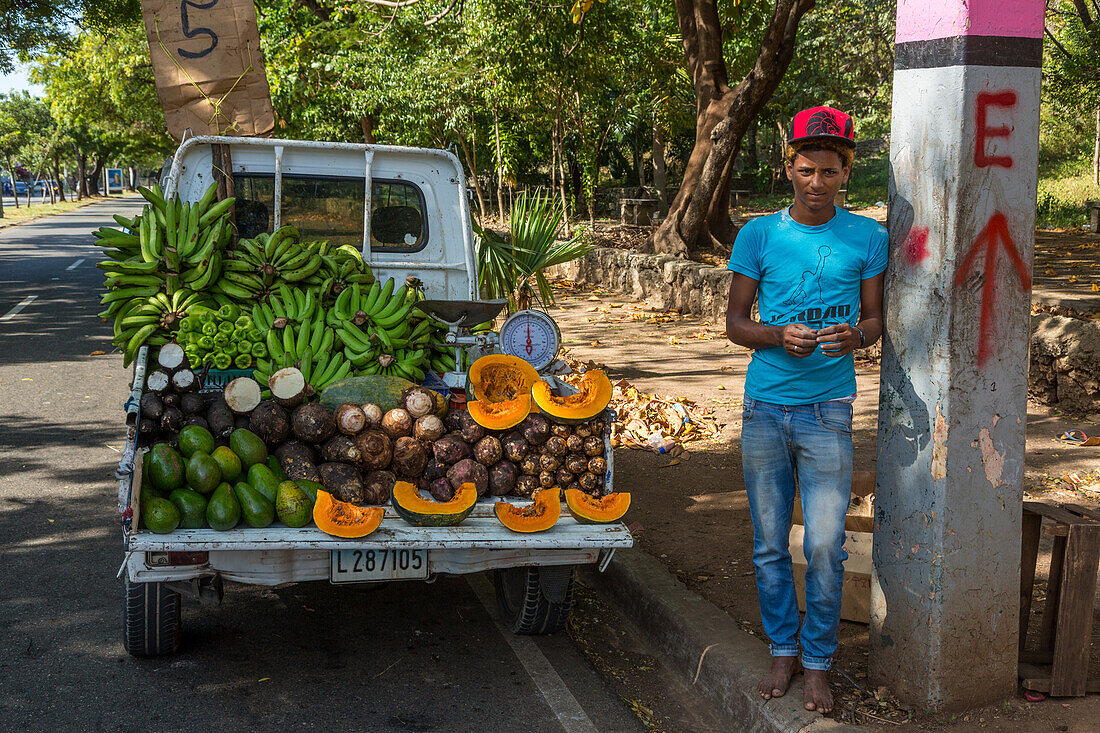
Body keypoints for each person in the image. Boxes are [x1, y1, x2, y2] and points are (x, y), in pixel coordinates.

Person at [725, 106, 887, 715]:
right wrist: (775, 334)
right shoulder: (758, 234)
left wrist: (858, 336)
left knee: (824, 545)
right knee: (770, 544)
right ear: (789, 168)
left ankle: (818, 662)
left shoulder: (867, 237)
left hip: (828, 413)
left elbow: (875, 319)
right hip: (764, 408)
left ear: (846, 172)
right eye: (806, 169)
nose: (816, 182)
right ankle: (782, 648)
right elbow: (737, 323)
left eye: (829, 170)